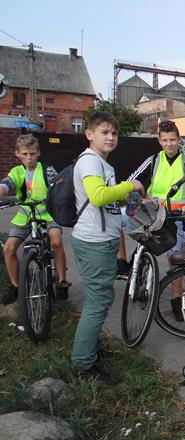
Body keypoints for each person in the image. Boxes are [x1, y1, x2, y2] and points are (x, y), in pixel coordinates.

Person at [71, 112, 145, 383]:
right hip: (94, 242)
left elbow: (109, 202)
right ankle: (83, 364)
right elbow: (98, 196)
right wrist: (130, 184)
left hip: (100, 240)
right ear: (89, 134)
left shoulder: (102, 163)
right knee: (98, 302)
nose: (111, 137)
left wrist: (128, 197)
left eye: (114, 133)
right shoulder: (91, 161)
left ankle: (88, 349)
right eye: (104, 132)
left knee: (99, 300)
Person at [128, 120, 185, 320]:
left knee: (175, 260)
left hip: (175, 217)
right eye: (165, 140)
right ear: (159, 140)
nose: (169, 144)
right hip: (152, 215)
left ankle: (176, 301)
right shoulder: (154, 159)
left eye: (172, 140)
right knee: (143, 250)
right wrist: (137, 193)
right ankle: (139, 283)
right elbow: (132, 179)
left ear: (179, 140)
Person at [0, 134, 70, 304]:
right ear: (17, 153)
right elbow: (6, 184)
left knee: (56, 242)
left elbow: (57, 185)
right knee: (9, 247)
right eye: (25, 154)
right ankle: (15, 286)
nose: (29, 157)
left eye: (32, 153)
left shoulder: (47, 169)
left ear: (38, 152)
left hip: (49, 213)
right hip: (26, 214)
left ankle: (62, 281)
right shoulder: (16, 172)